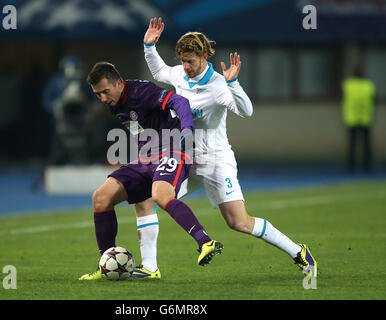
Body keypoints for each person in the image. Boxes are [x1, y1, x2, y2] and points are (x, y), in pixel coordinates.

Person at [129, 17, 317, 279]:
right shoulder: (180, 75)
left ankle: (298, 251)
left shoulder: (218, 84)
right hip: (184, 158)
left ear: (204, 56)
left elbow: (246, 111)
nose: (186, 67)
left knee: (238, 222)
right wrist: (149, 47)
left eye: (190, 61)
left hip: (215, 159)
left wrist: (233, 84)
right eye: (182, 61)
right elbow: (161, 72)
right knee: (147, 200)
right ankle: (150, 268)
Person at [79, 61, 223, 280]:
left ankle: (206, 242)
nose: (103, 99)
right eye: (98, 95)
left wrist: (186, 130)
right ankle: (108, 264)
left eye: (105, 92)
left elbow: (179, 100)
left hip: (173, 151)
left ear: (119, 83)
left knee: (160, 194)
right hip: (146, 159)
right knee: (101, 198)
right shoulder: (114, 102)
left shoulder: (141, 91)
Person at [342, 66, 376, 173]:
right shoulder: (368, 85)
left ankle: (351, 166)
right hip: (366, 117)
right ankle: (367, 166)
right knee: (366, 144)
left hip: (351, 118)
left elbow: (343, 98)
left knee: (352, 144)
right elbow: (373, 100)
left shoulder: (348, 85)